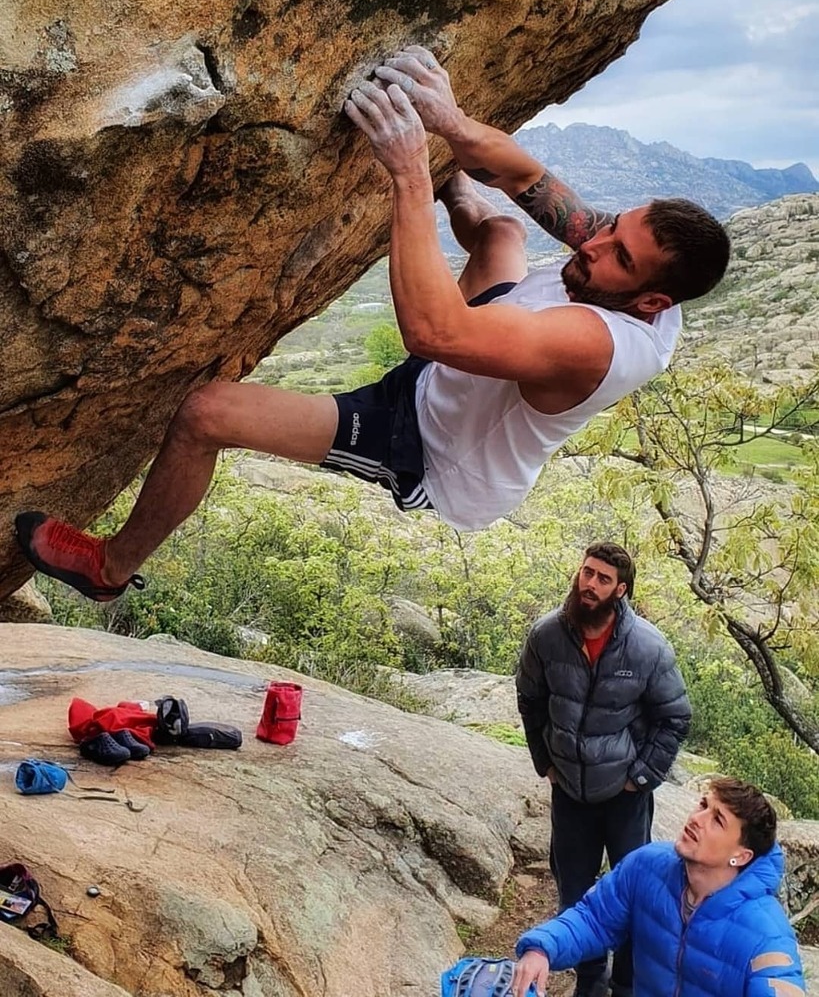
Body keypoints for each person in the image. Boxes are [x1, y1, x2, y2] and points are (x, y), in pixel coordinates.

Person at [15, 48, 730, 601]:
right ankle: (447, 178)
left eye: (616, 256)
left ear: (650, 304)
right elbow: (521, 176)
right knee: (500, 234)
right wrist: (448, 126)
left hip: (429, 445)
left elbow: (434, 334)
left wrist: (411, 172)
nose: (591, 243)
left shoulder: (600, 344)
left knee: (208, 412)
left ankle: (110, 567)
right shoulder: (614, 261)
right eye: (608, 229)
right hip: (462, 365)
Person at [516, 542, 691, 997]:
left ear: (621, 590)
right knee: (575, 895)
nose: (590, 585)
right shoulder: (546, 635)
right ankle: (590, 983)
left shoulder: (648, 647)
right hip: (569, 792)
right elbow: (530, 700)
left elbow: (675, 716)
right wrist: (546, 762)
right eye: (587, 573)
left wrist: (641, 777)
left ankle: (626, 986)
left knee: (634, 897)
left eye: (602, 579)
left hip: (624, 797)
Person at [511, 777, 805, 997]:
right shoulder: (648, 867)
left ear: (740, 855)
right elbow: (594, 919)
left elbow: (780, 984)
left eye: (717, 820)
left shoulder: (765, 934)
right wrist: (543, 948)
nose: (696, 819)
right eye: (703, 805)